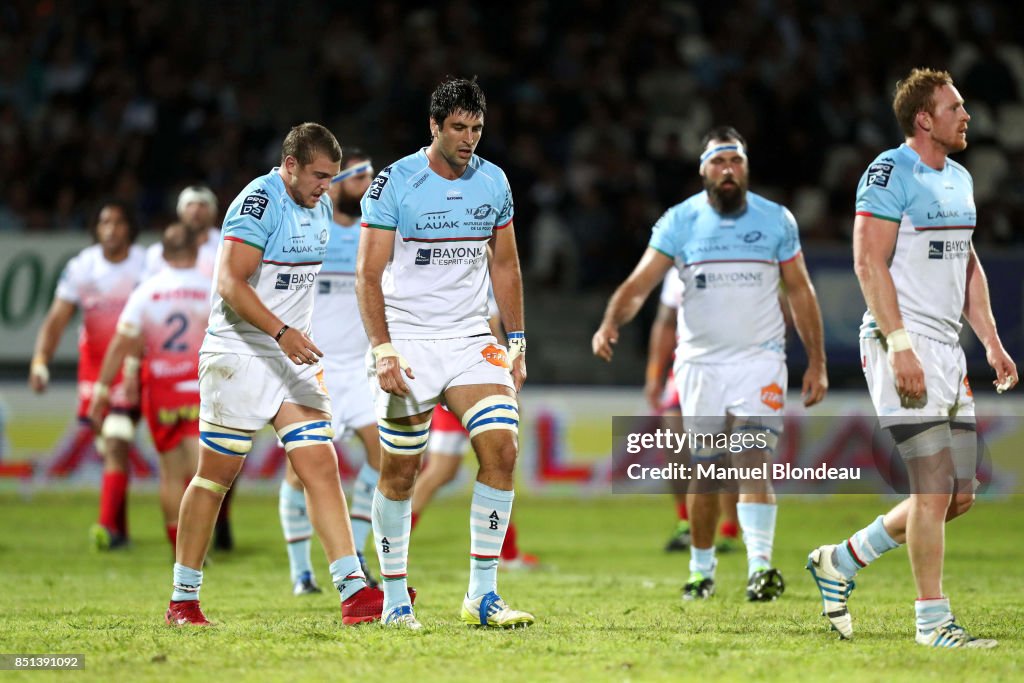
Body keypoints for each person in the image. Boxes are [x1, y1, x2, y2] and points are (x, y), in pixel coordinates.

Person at [806, 68, 1016, 649]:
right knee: (931, 489)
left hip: (948, 349)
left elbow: (968, 266)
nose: (967, 115)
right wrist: (900, 346)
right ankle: (933, 622)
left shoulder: (961, 178)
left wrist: (992, 343)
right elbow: (868, 262)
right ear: (925, 119)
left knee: (960, 494)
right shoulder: (888, 172)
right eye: (956, 107)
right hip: (902, 342)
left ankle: (842, 560)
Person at [166, 122, 388, 627]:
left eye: (331, 177)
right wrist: (282, 330)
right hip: (239, 354)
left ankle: (353, 591)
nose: (324, 186)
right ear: (289, 165)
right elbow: (229, 281)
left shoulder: (324, 204)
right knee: (215, 477)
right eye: (317, 175)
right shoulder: (257, 204)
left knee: (321, 463)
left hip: (290, 361)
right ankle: (183, 599)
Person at [593, 126, 828, 602]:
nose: (727, 170)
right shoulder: (680, 222)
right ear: (703, 170)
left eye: (735, 161)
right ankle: (702, 572)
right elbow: (641, 284)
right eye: (719, 162)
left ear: (745, 168)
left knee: (751, 458)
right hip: (699, 364)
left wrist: (817, 361)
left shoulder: (776, 220)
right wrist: (610, 321)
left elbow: (800, 291)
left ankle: (760, 569)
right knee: (706, 469)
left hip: (758, 360)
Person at [357, 77, 533, 630]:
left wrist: (518, 341)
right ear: (433, 126)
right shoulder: (395, 183)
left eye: (476, 128)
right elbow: (367, 273)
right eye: (458, 127)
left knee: (501, 451)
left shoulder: (494, 181)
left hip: (469, 337)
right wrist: (383, 348)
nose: (468, 139)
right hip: (408, 338)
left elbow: (505, 265)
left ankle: (483, 595)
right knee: (402, 473)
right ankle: (393, 599)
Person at [279, 150, 382, 595]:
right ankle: (301, 572)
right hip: (312, 368)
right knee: (299, 473)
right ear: (333, 183)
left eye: (371, 176)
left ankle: (355, 550)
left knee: (387, 458)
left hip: (360, 371)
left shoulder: (374, 236)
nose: (366, 183)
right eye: (358, 175)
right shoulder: (310, 230)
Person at [30, 200, 147, 550]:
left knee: (117, 437)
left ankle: (106, 527)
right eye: (104, 221)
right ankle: (120, 530)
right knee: (111, 445)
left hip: (132, 366)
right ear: (96, 228)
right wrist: (40, 361)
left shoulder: (144, 264)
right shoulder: (82, 267)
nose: (111, 228)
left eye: (118, 221)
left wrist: (134, 365)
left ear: (130, 228)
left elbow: (150, 319)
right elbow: (56, 319)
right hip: (93, 369)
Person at [88, 223, 208, 552]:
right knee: (201, 472)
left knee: (170, 473)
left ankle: (177, 548)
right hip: (198, 387)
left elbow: (121, 343)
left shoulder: (147, 292)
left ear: (164, 254)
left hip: (161, 390)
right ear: (196, 252)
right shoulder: (210, 288)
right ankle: (196, 551)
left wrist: (100, 390)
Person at [144, 185, 235, 552]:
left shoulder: (226, 241)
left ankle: (205, 531)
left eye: (202, 206)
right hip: (193, 363)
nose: (196, 212)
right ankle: (200, 538)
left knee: (214, 455)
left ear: (212, 212)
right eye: (190, 206)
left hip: (194, 363)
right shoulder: (163, 261)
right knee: (211, 456)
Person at [647, 267, 739, 554]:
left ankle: (729, 527)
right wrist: (654, 374)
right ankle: (685, 521)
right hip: (685, 366)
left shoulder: (737, 265)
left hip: (731, 365)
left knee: (722, 449)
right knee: (675, 443)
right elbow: (665, 322)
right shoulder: (677, 271)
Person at [144, 186, 221, 278]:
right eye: (190, 204)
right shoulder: (156, 252)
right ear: (180, 211)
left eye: (202, 205)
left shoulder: (225, 245)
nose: (195, 210)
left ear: (213, 212)